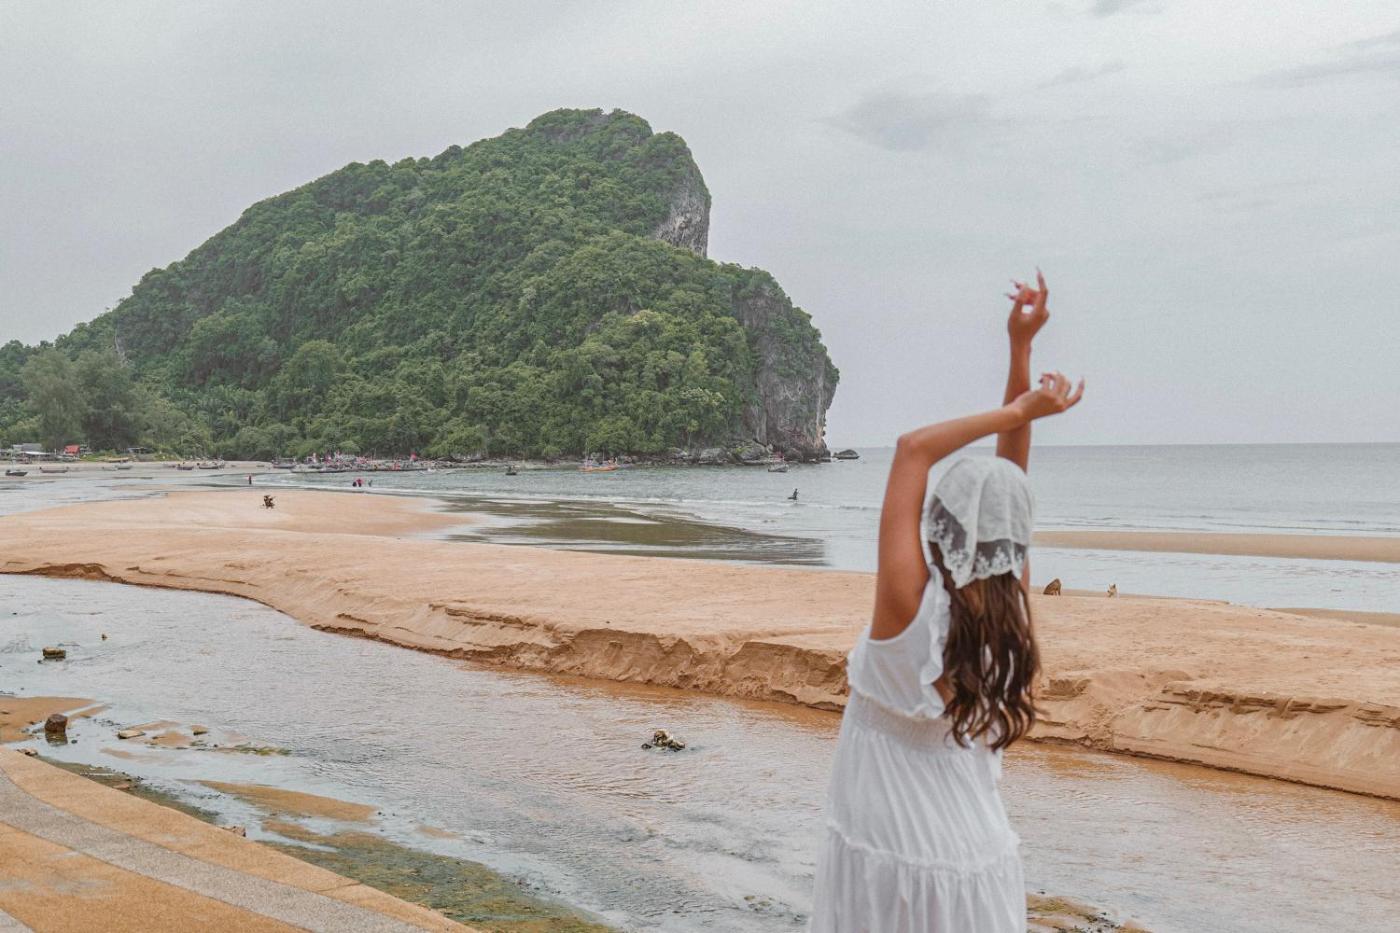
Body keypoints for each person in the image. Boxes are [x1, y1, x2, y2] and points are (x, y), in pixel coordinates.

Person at [808, 272, 1084, 933]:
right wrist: (1020, 351)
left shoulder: (906, 611)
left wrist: (1018, 409)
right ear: (1012, 539)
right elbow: (1008, 479)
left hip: (891, 864)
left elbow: (913, 449)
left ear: (938, 524)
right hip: (978, 865)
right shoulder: (1010, 611)